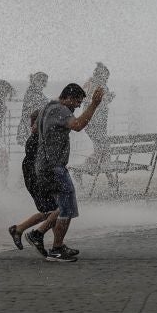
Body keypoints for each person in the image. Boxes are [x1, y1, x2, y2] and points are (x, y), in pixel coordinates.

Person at [29, 83, 104, 262]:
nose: (78, 106)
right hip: (53, 167)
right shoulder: (61, 109)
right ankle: (53, 247)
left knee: (63, 206)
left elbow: (33, 129)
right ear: (68, 98)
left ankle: (44, 238)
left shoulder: (47, 107)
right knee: (67, 207)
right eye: (77, 102)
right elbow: (77, 125)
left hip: (45, 166)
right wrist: (94, 105)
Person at [8, 109, 65, 256]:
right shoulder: (37, 139)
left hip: (38, 179)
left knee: (50, 211)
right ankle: (44, 239)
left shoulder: (39, 137)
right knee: (58, 209)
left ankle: (20, 229)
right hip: (38, 180)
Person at [17, 72, 49, 146]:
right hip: (31, 125)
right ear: (37, 81)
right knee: (33, 148)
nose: (44, 85)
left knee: (33, 148)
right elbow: (36, 108)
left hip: (32, 125)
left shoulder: (34, 92)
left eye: (44, 82)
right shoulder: (33, 93)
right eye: (42, 81)